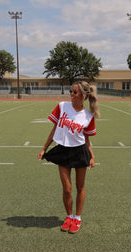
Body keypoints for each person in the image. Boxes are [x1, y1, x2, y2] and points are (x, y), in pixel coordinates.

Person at [38, 81, 99, 234]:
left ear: (83, 96)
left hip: (80, 151)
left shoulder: (88, 116)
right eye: (71, 91)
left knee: (80, 187)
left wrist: (92, 155)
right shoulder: (62, 106)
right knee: (67, 188)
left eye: (75, 92)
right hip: (63, 150)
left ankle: (77, 218)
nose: (71, 94)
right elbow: (54, 129)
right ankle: (69, 216)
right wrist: (44, 148)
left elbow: (86, 139)